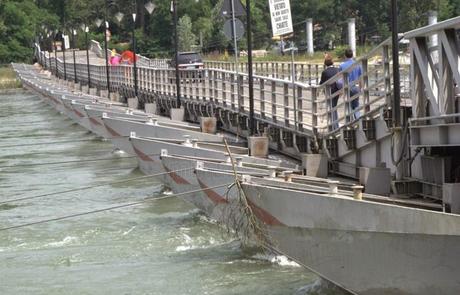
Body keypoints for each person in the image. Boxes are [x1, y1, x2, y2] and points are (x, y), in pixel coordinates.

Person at [339, 48, 362, 120]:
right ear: (352, 55)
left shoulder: (342, 66)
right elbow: (361, 78)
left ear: (345, 55)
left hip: (347, 87)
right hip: (356, 87)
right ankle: (358, 120)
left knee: (348, 105)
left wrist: (341, 90)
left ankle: (349, 122)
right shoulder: (358, 64)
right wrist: (360, 88)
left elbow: (340, 79)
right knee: (356, 105)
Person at [320, 53, 340, 130]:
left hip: (329, 92)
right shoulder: (337, 70)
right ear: (332, 62)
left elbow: (321, 83)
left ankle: (333, 126)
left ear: (325, 64)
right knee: (334, 107)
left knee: (331, 108)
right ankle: (336, 125)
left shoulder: (325, 72)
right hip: (337, 90)